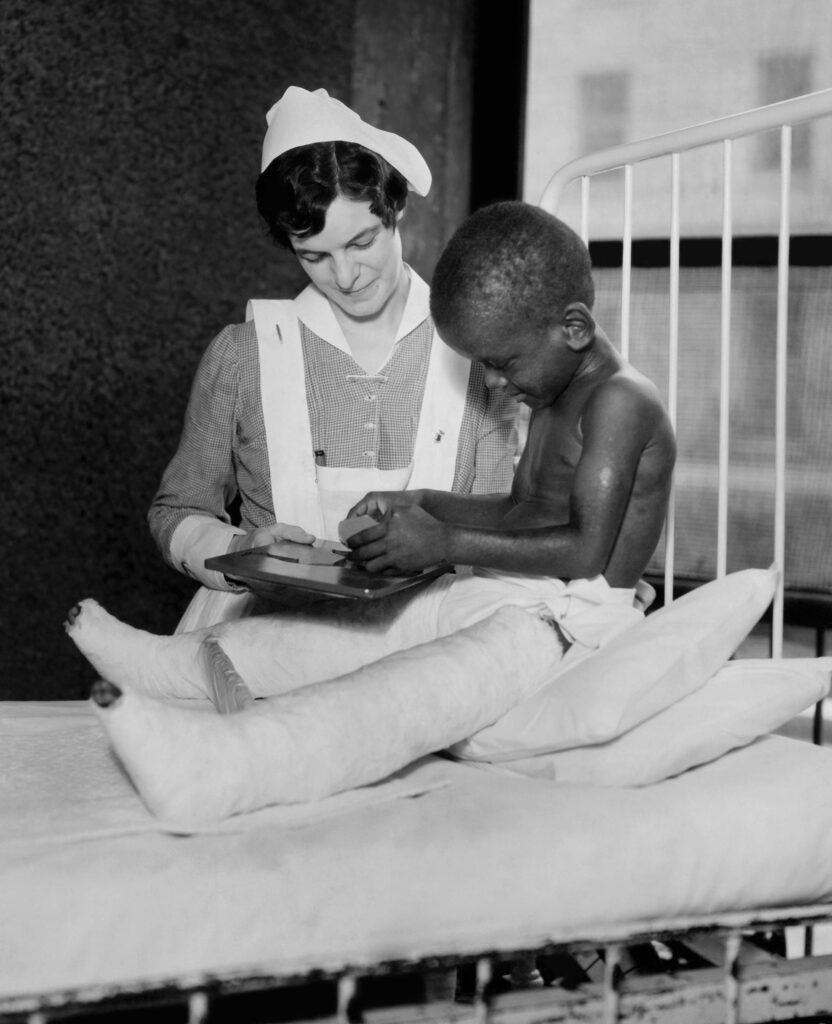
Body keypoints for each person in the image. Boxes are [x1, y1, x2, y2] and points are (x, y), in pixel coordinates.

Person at [67, 201, 676, 826]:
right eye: (314, 254)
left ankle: (230, 770)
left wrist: (443, 543)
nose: (492, 384)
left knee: (396, 694)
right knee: (322, 639)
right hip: (512, 592)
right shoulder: (551, 384)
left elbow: (585, 552)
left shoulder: (620, 403)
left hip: (568, 620)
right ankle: (163, 665)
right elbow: (524, 511)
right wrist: (425, 504)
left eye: (500, 364)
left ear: (573, 328)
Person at [148, 86, 517, 631]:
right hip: (264, 632)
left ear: (396, 208)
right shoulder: (244, 354)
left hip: (431, 635)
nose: (344, 277)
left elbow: (504, 521)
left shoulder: (476, 352)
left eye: (362, 242)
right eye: (315, 256)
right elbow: (174, 512)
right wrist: (243, 548)